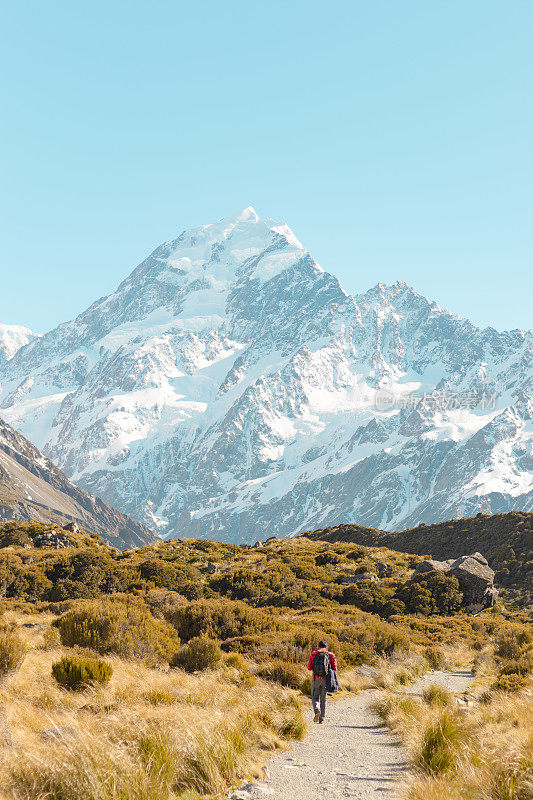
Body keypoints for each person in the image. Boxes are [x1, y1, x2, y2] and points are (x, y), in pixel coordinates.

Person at [307, 640, 338, 724]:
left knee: (314, 697)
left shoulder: (313, 654)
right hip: (326, 680)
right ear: (326, 647)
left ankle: (317, 710)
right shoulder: (330, 655)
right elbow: (334, 669)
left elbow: (309, 667)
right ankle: (321, 719)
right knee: (324, 699)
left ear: (318, 646)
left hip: (315, 679)